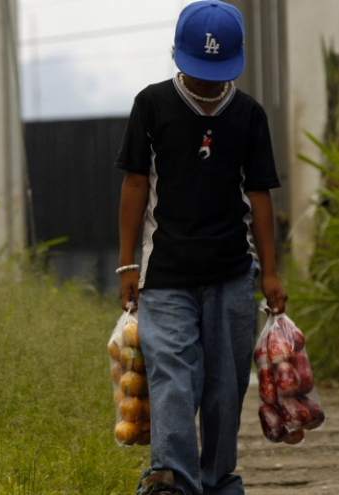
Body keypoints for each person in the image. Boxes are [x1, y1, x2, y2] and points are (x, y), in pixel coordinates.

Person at [114, 1, 288, 494]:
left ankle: (216, 479)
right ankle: (171, 478)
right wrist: (128, 262)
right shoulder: (151, 105)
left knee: (223, 385)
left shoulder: (249, 115)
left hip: (232, 273)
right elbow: (133, 186)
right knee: (172, 373)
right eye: (198, 73)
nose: (208, 84)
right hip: (164, 273)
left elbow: (259, 197)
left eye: (217, 74)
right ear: (177, 57)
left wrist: (270, 272)